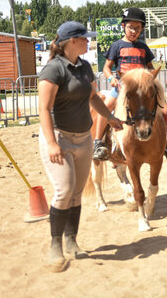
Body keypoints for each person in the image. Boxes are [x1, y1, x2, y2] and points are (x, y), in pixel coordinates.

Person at [38, 21, 124, 272]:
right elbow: (43, 108)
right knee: (64, 191)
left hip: (83, 138)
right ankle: (55, 245)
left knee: (76, 193)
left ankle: (72, 241)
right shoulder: (53, 70)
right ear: (72, 42)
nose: (89, 42)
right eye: (85, 39)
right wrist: (52, 143)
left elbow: (93, 98)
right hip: (59, 137)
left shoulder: (85, 67)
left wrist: (109, 117)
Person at [92, 7, 167, 161]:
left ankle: (163, 143)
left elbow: (150, 69)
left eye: (137, 28)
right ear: (123, 26)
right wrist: (112, 78)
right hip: (123, 89)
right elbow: (106, 67)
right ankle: (98, 142)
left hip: (142, 91)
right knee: (105, 109)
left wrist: (152, 77)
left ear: (142, 29)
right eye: (131, 27)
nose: (134, 31)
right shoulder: (116, 46)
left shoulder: (143, 48)